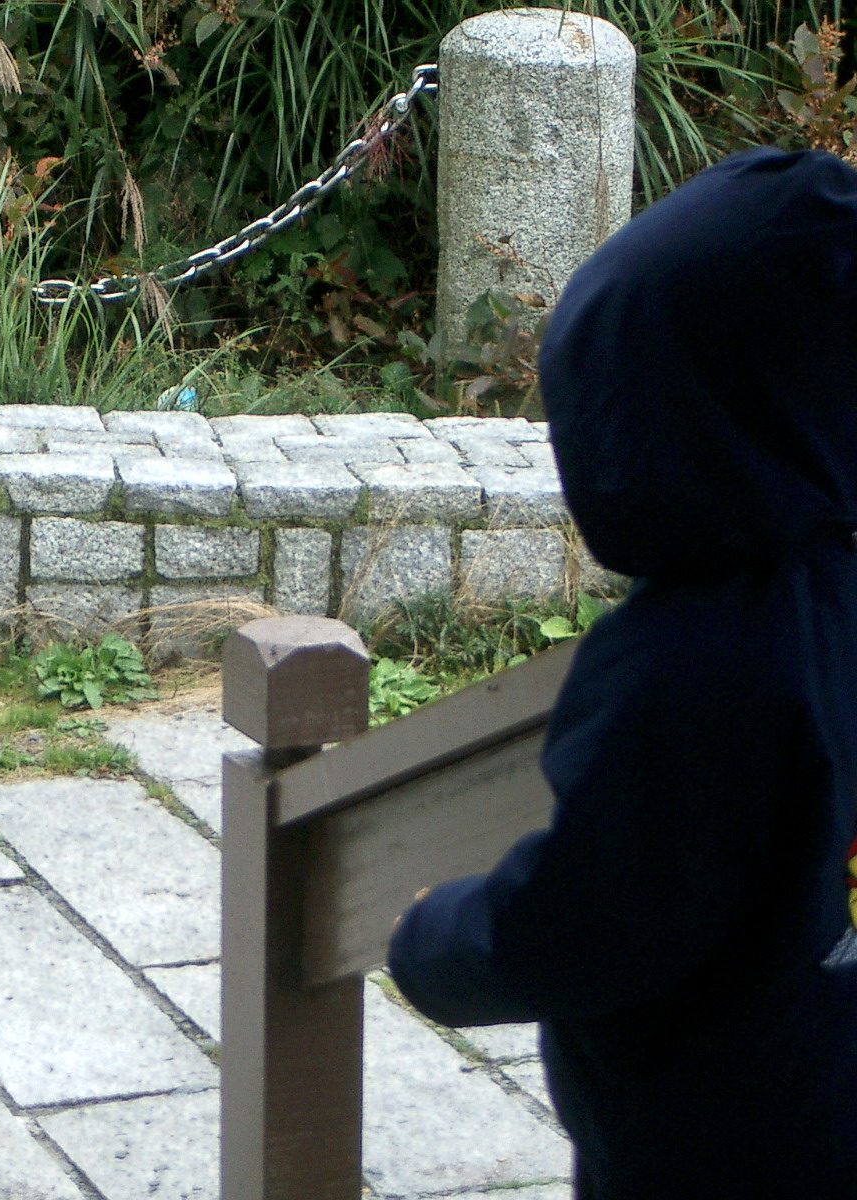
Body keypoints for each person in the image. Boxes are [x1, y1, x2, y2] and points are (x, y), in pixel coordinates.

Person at [387, 145, 857, 1198]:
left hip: (708, 1143)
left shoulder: (683, 668)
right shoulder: (834, 598)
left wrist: (433, 937)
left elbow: (593, 918)